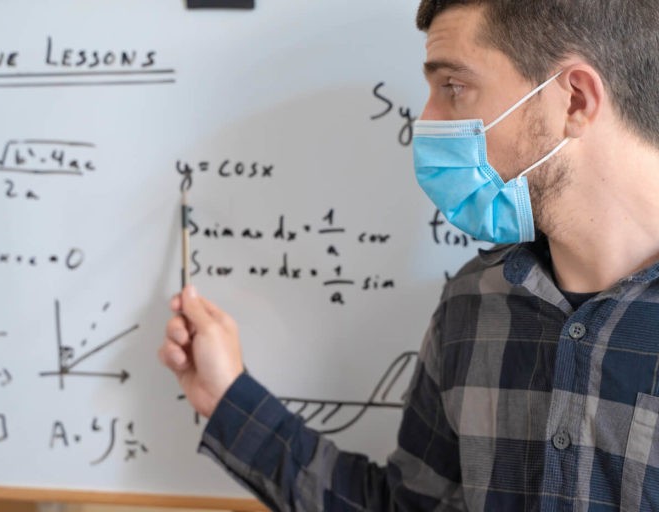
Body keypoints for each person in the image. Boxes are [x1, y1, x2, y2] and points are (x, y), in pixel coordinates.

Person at [159, 0, 659, 509]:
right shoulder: (475, 303)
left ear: (574, 100)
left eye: (454, 88)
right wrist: (227, 397)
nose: (426, 119)